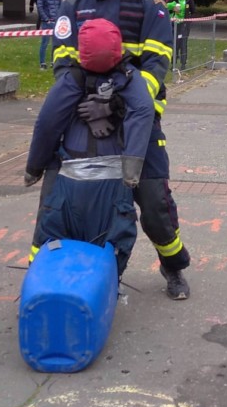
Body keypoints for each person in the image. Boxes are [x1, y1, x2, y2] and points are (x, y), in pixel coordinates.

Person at [44, 0, 192, 301]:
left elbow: (157, 65)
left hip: (136, 123)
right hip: (84, 122)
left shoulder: (150, 4)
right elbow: (63, 68)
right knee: (62, 202)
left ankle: (173, 266)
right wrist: (88, 105)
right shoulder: (72, 6)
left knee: (154, 202)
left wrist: (115, 104)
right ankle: (59, 277)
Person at [25, 18, 153, 283]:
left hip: (68, 176)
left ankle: (41, 281)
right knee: (112, 236)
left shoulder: (71, 79)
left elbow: (48, 123)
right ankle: (103, 285)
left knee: (52, 233)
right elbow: (142, 112)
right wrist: (132, 167)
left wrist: (34, 167)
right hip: (114, 180)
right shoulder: (130, 78)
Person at [167, 0, 196, 72]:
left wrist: (188, 19)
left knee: (183, 43)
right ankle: (173, 63)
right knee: (175, 44)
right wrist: (172, 8)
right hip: (175, 25)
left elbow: (193, 11)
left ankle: (183, 64)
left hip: (184, 25)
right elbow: (166, 9)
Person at [36, 0, 62, 69]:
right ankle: (42, 63)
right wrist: (46, 19)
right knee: (44, 43)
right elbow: (40, 8)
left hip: (56, 22)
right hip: (46, 23)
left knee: (56, 43)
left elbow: (60, 7)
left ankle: (53, 61)